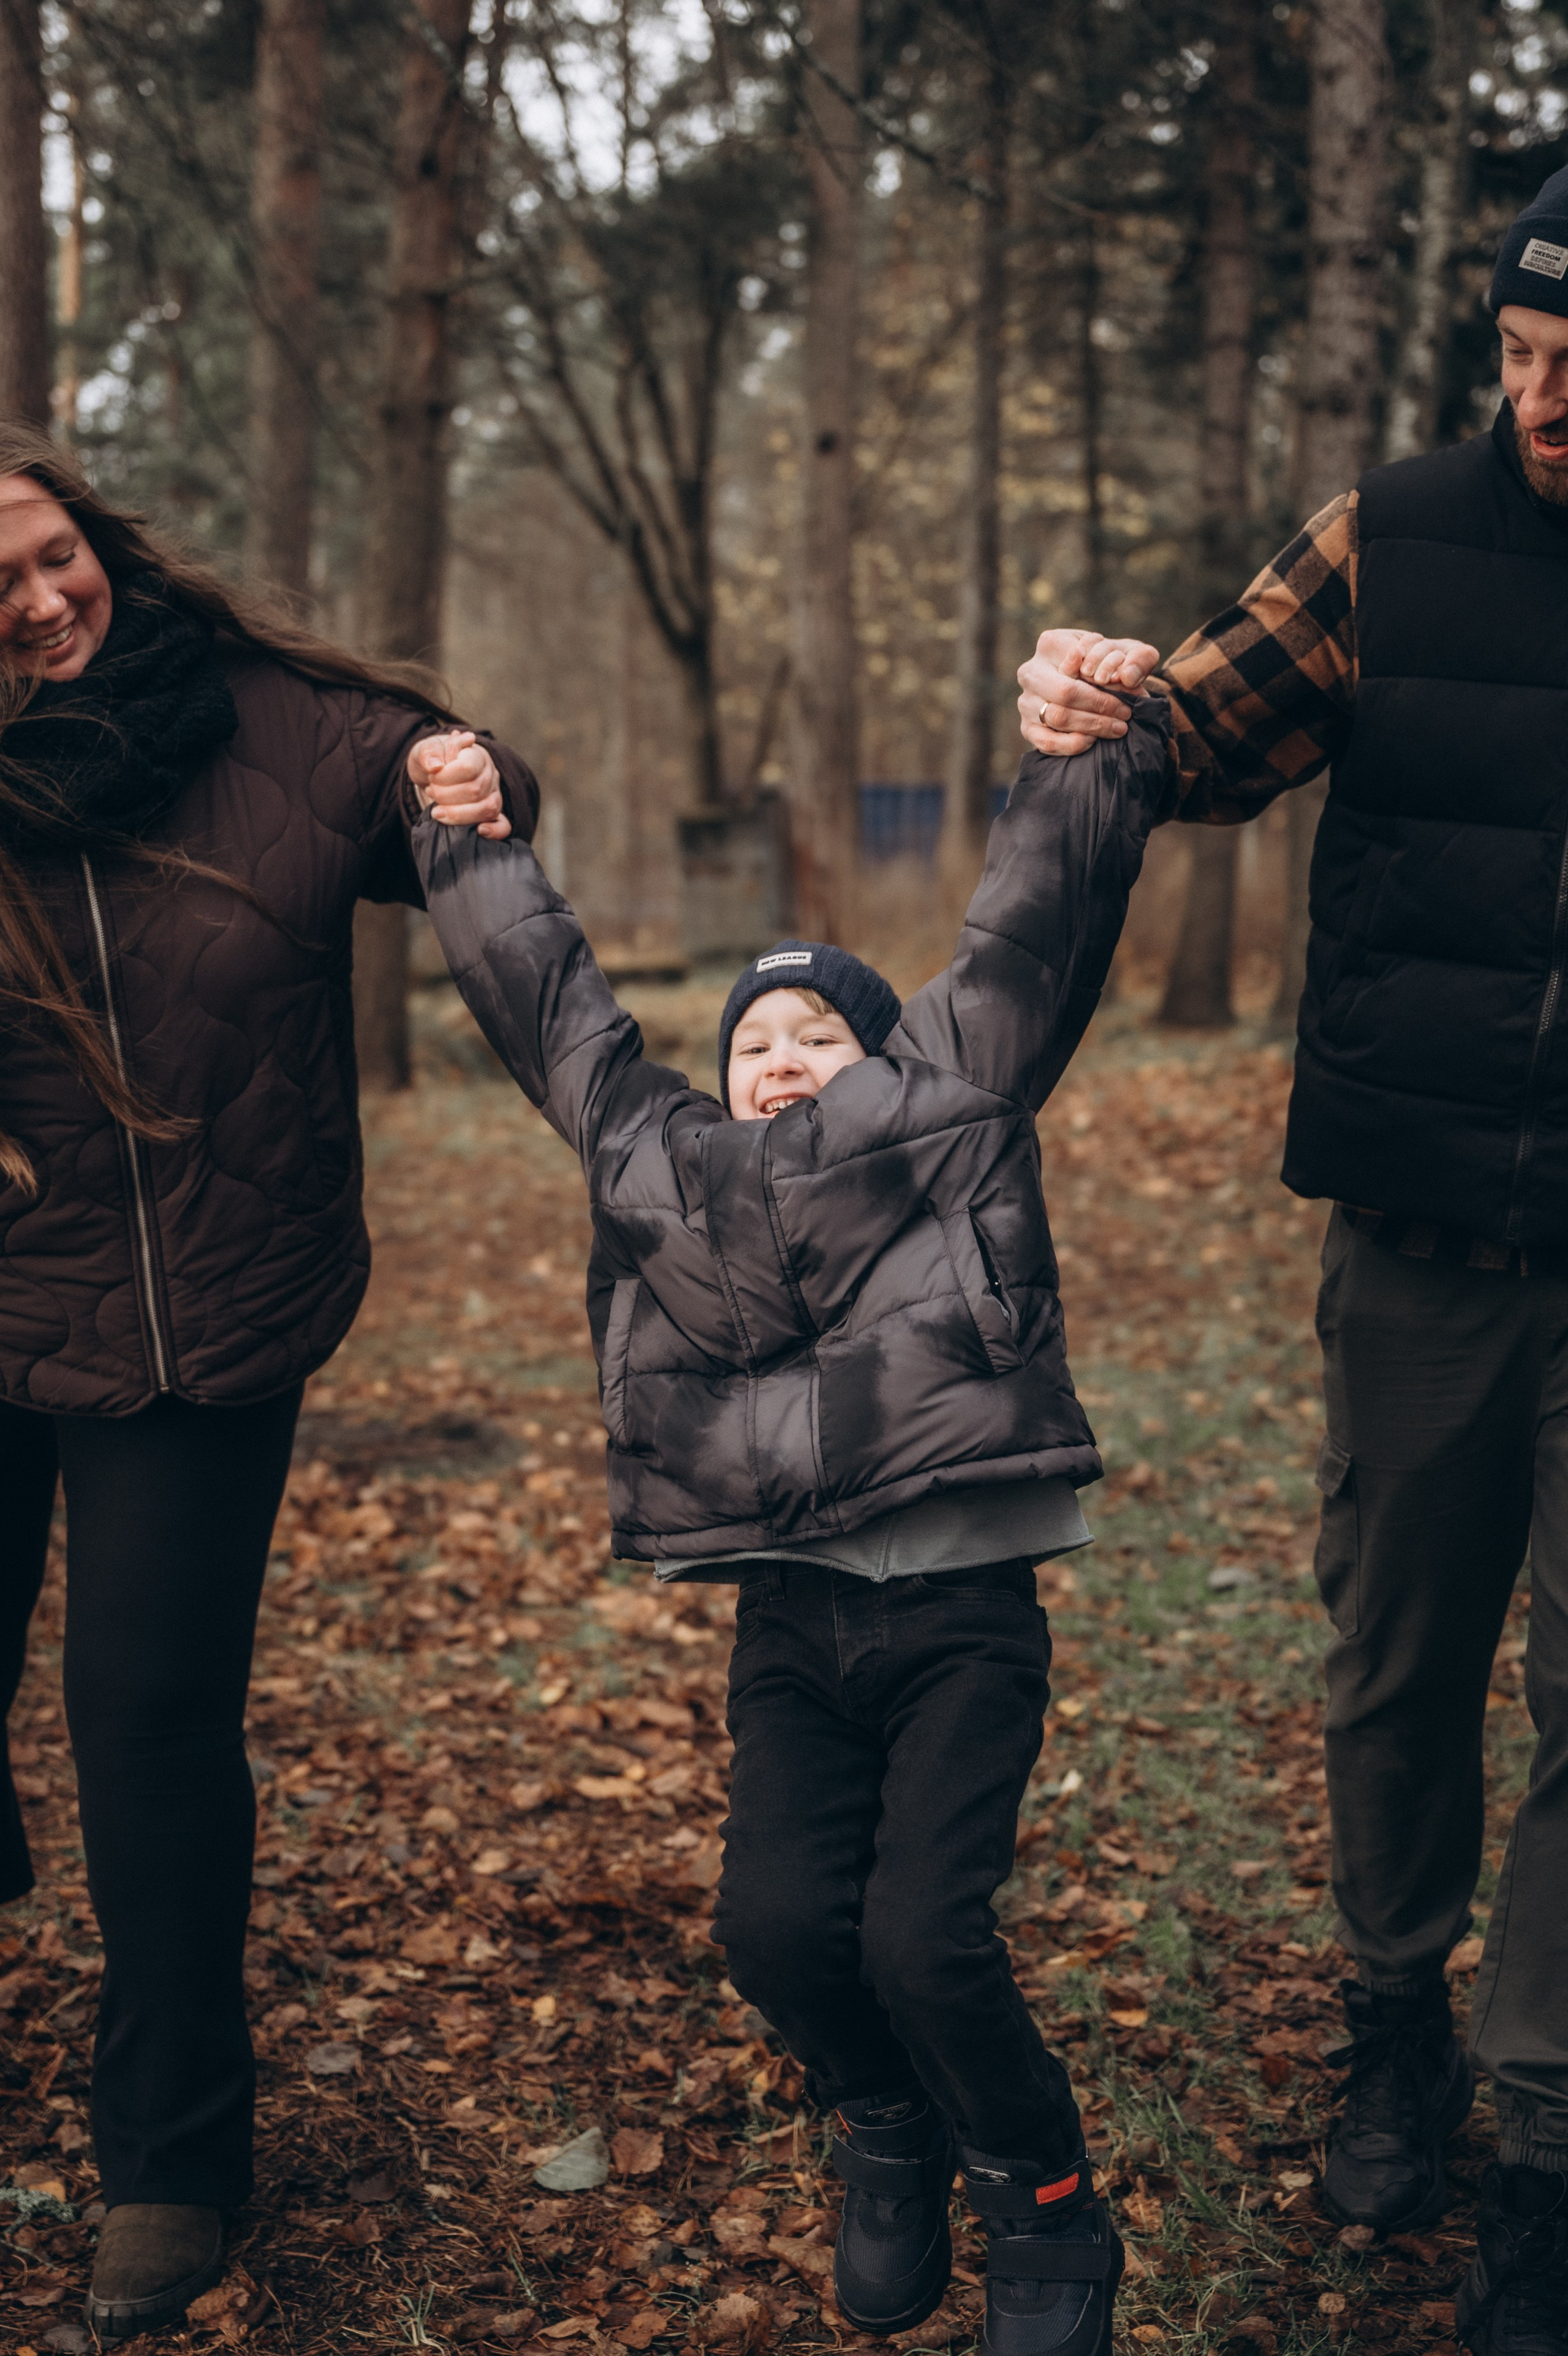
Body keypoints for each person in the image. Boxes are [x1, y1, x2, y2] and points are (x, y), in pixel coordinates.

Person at [412, 694, 1170, 2356]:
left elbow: (1026, 931)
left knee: (923, 1933)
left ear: (884, 1058)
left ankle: (1043, 2195)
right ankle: (883, 2120)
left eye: (818, 1034)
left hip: (961, 1605)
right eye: (757, 1036)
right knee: (770, 1927)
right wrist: (469, 842)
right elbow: (558, 1013)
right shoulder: (665, 1167)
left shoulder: (946, 1107)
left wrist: (1087, 757)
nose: (780, 1054)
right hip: (794, 1624)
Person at [1013, 163, 1568, 2356]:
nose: (1543, 405)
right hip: (1424, 1231)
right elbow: (1194, 733)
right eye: (1523, 361)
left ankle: (1541, 2133)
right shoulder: (1391, 539)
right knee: (1398, 1672)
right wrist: (1093, 695)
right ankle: (1393, 2019)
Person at [0, 420, 534, 2341]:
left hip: (197, 1317)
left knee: (145, 1732)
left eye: (59, 554)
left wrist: (474, 781)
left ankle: (169, 2156)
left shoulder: (258, 717)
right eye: (4, 594)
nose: (52, 599)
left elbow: (448, 796)